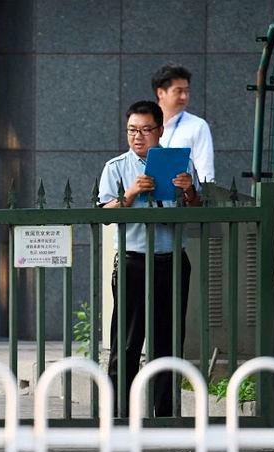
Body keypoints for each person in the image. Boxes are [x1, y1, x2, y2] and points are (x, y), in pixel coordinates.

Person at [97, 100, 201, 417]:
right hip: (134, 261)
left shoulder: (181, 163)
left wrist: (189, 192)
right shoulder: (116, 167)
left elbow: (198, 210)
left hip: (171, 260)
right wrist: (129, 195)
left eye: (144, 130)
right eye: (132, 130)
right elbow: (103, 214)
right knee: (127, 343)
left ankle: (165, 414)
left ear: (160, 130)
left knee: (168, 342)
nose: (138, 136)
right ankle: (120, 414)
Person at [152, 63, 215, 183]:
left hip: (184, 198)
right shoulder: (145, 124)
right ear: (160, 93)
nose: (184, 96)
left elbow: (205, 172)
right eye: (178, 91)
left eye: (187, 91)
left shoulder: (197, 126)